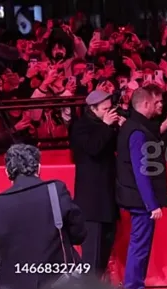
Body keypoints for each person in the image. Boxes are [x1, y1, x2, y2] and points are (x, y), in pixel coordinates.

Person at [0, 144, 87, 289]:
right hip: (56, 286)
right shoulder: (56, 190)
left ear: (7, 172)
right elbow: (79, 234)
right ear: (39, 167)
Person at [116, 84, 167, 289]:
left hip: (136, 198)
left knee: (140, 245)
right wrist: (151, 204)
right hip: (140, 200)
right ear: (145, 103)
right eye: (153, 102)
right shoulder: (136, 130)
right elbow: (141, 170)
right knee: (139, 245)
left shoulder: (133, 126)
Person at [69, 90, 123, 278]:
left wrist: (118, 127)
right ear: (93, 108)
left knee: (104, 252)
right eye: (105, 109)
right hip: (91, 203)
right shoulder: (81, 126)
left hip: (108, 199)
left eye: (111, 108)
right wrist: (107, 126)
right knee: (92, 255)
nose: (109, 113)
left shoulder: (106, 126)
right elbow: (93, 148)